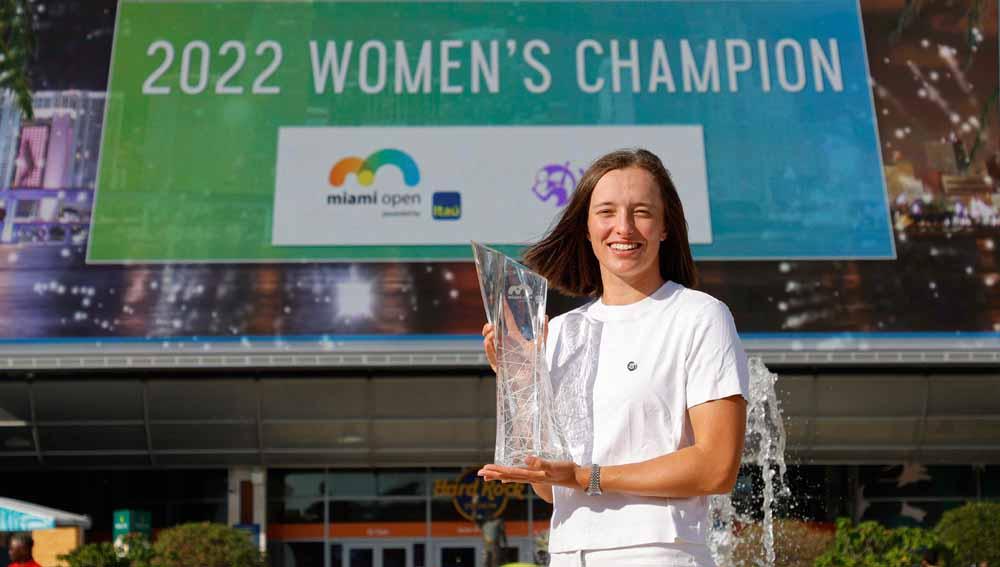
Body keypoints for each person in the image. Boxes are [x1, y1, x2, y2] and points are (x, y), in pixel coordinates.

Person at [478, 148, 749, 566]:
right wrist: (519, 386)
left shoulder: (699, 317)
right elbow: (552, 487)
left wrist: (589, 477)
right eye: (606, 212)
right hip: (570, 552)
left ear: (664, 227)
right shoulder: (562, 333)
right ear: (586, 228)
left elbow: (716, 466)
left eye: (641, 212)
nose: (623, 228)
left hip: (660, 553)